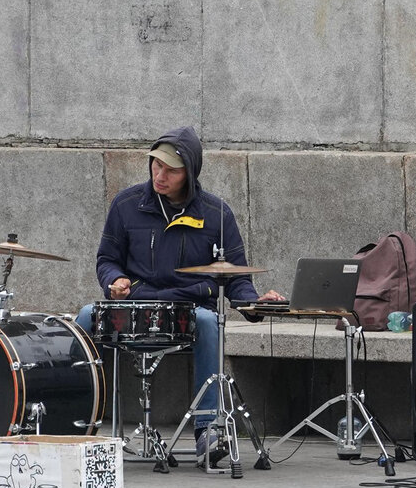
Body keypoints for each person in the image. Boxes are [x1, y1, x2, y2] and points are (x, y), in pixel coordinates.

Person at [78, 126, 283, 464]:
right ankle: (77, 421)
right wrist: (114, 280)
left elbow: (237, 279)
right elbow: (107, 259)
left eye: (171, 170)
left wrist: (256, 304)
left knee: (209, 322)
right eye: (156, 165)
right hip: (137, 304)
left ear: (190, 171)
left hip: (188, 309)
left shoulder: (216, 214)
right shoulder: (126, 205)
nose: (160, 175)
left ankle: (207, 430)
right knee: (86, 317)